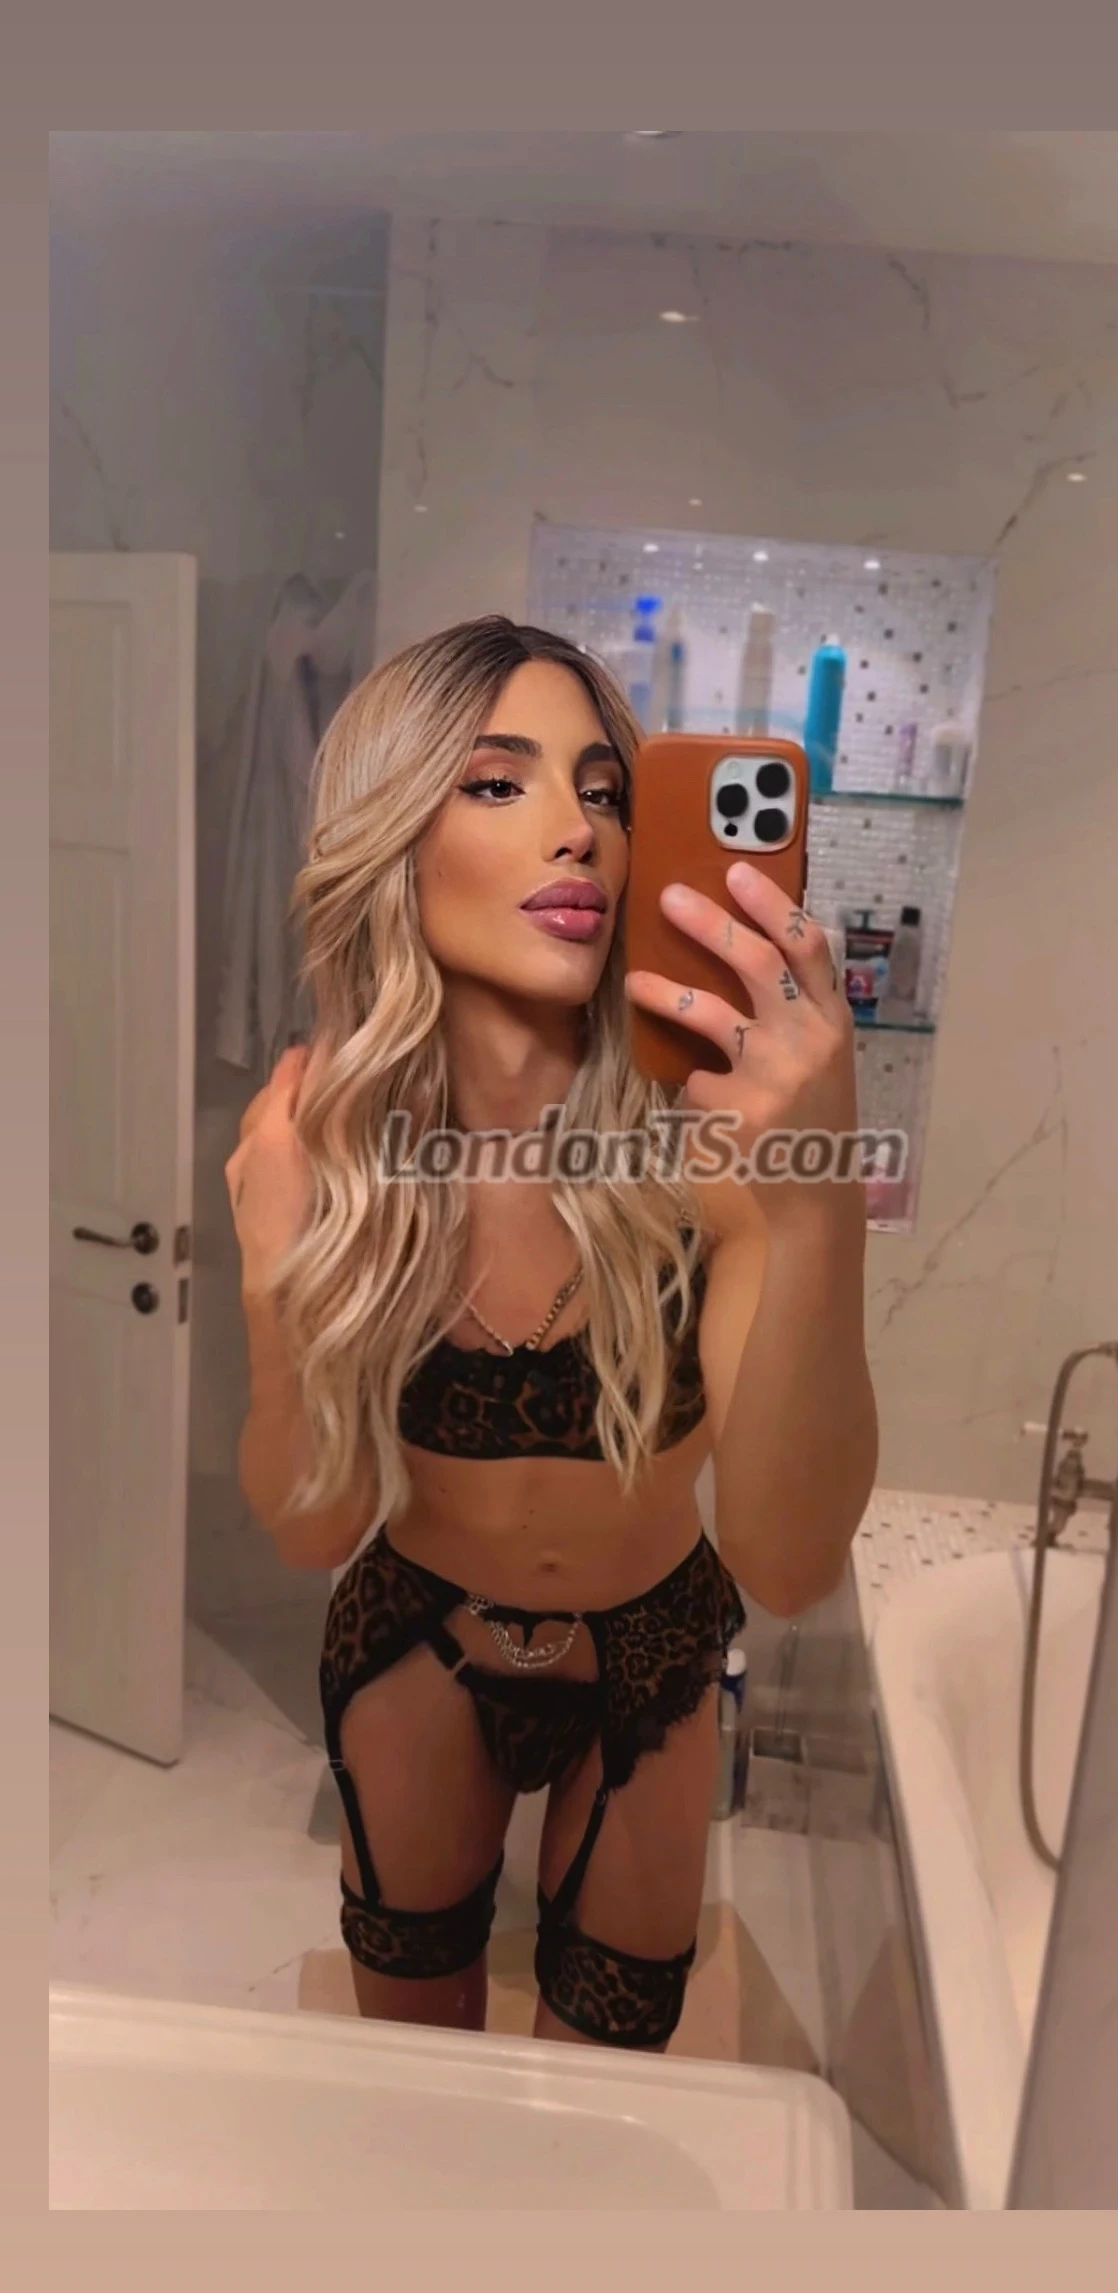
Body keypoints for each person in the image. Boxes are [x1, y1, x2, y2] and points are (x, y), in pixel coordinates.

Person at [226, 616, 877, 2052]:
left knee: (611, 2073)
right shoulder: (335, 1156)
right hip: (419, 1639)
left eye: (603, 791)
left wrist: (813, 1195)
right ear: (396, 837)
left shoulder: (712, 1154)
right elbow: (310, 1524)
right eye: (497, 782)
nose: (576, 831)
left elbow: (788, 1562)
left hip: (652, 1651)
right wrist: (275, 1268)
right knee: (414, 2070)